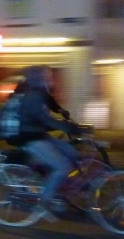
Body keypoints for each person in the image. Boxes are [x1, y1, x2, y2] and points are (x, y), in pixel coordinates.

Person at [13, 65, 84, 219]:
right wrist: (66, 127)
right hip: (29, 137)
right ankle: (43, 203)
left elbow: (50, 102)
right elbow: (42, 118)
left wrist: (61, 112)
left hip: (38, 134)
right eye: (46, 74)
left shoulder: (40, 90)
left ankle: (53, 185)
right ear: (37, 76)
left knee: (71, 152)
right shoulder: (31, 94)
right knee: (63, 167)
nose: (49, 77)